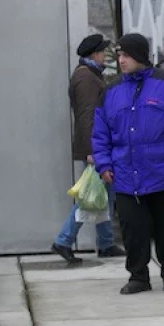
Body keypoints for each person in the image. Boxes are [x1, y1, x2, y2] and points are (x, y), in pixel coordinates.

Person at [92, 34, 164, 294]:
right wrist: (103, 163)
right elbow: (100, 132)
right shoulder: (111, 91)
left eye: (126, 56)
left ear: (141, 56)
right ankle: (138, 276)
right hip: (124, 172)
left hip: (163, 171)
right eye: (119, 56)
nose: (121, 61)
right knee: (133, 230)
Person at [51, 34, 125, 263]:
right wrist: (94, 150)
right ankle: (63, 240)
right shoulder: (86, 78)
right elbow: (87, 116)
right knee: (90, 195)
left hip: (98, 146)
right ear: (95, 54)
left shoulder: (90, 75)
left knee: (104, 194)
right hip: (96, 148)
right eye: (103, 52)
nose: (106, 56)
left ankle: (105, 243)